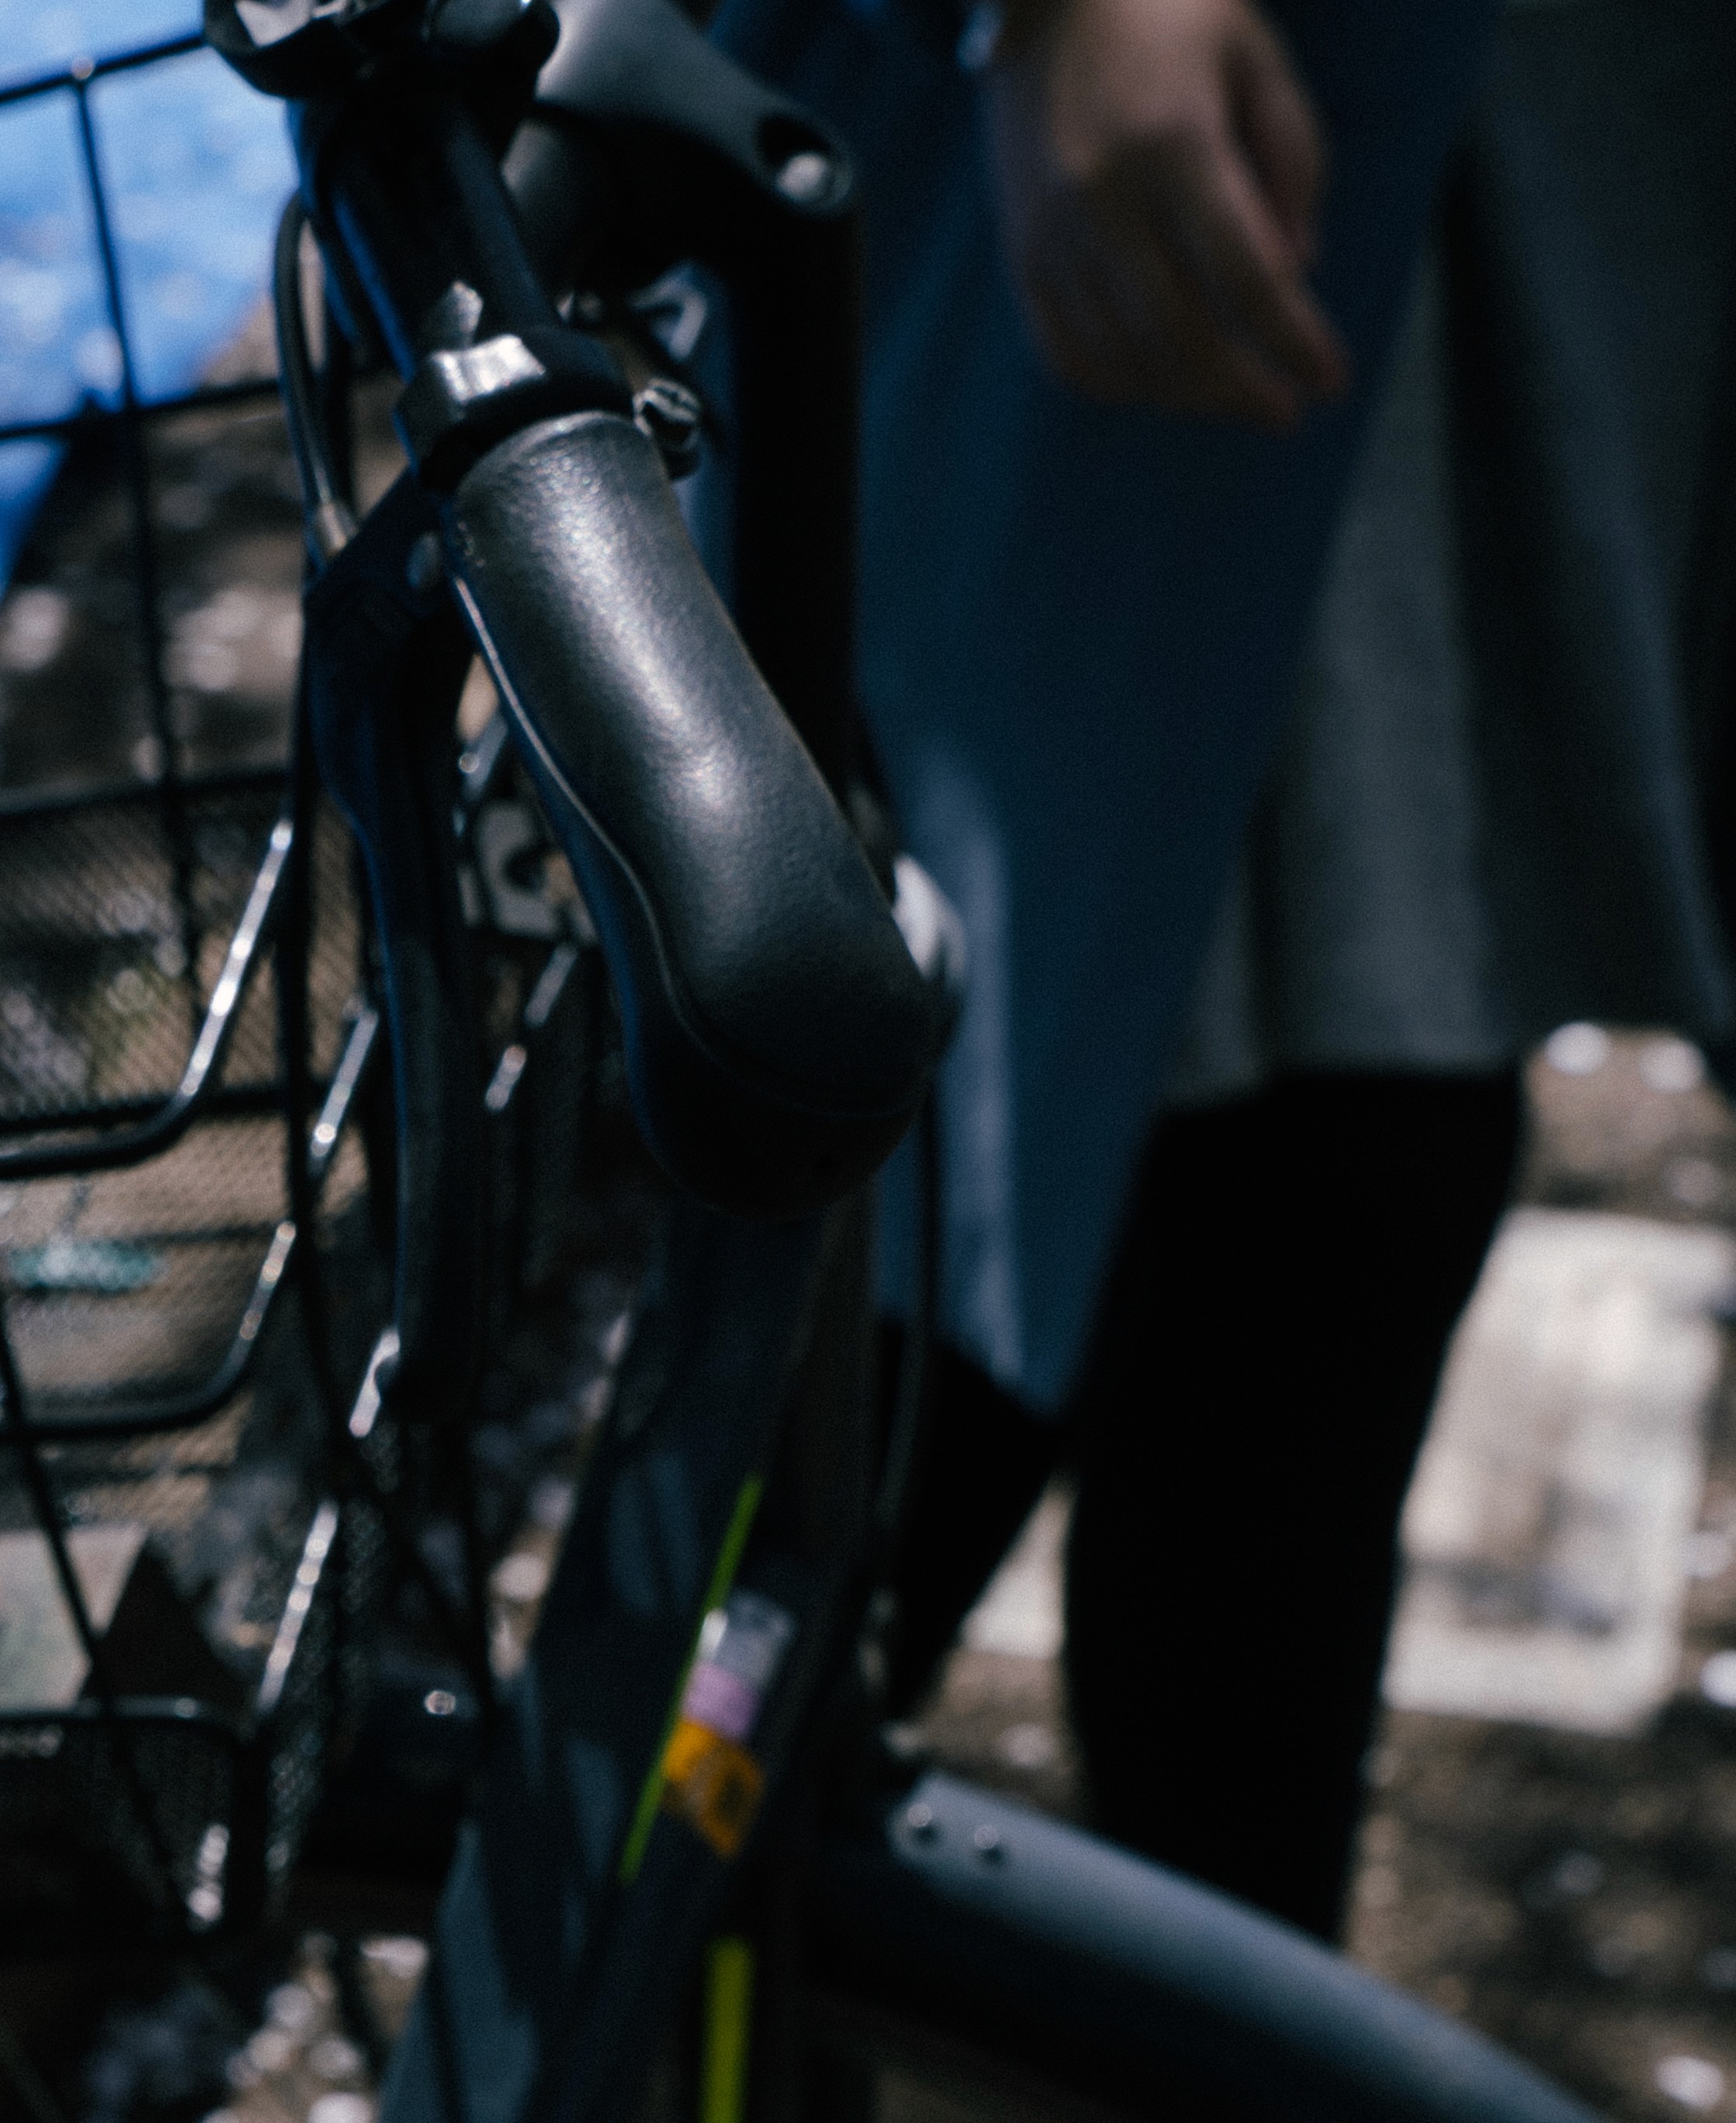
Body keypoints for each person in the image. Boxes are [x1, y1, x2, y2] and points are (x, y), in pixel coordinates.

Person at [728, 0, 1736, 1951]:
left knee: (1323, 1135)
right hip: (1205, 133)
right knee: (1100, 1129)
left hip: (1558, 139)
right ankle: (713, 2050)